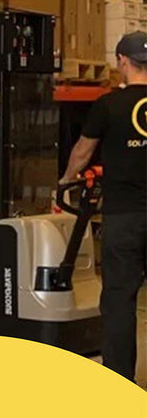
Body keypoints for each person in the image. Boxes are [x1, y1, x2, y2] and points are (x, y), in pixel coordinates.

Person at [59, 32, 147, 384]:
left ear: (122, 61)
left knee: (119, 301)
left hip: (124, 217)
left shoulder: (108, 105)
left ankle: (120, 385)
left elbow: (83, 151)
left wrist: (66, 180)